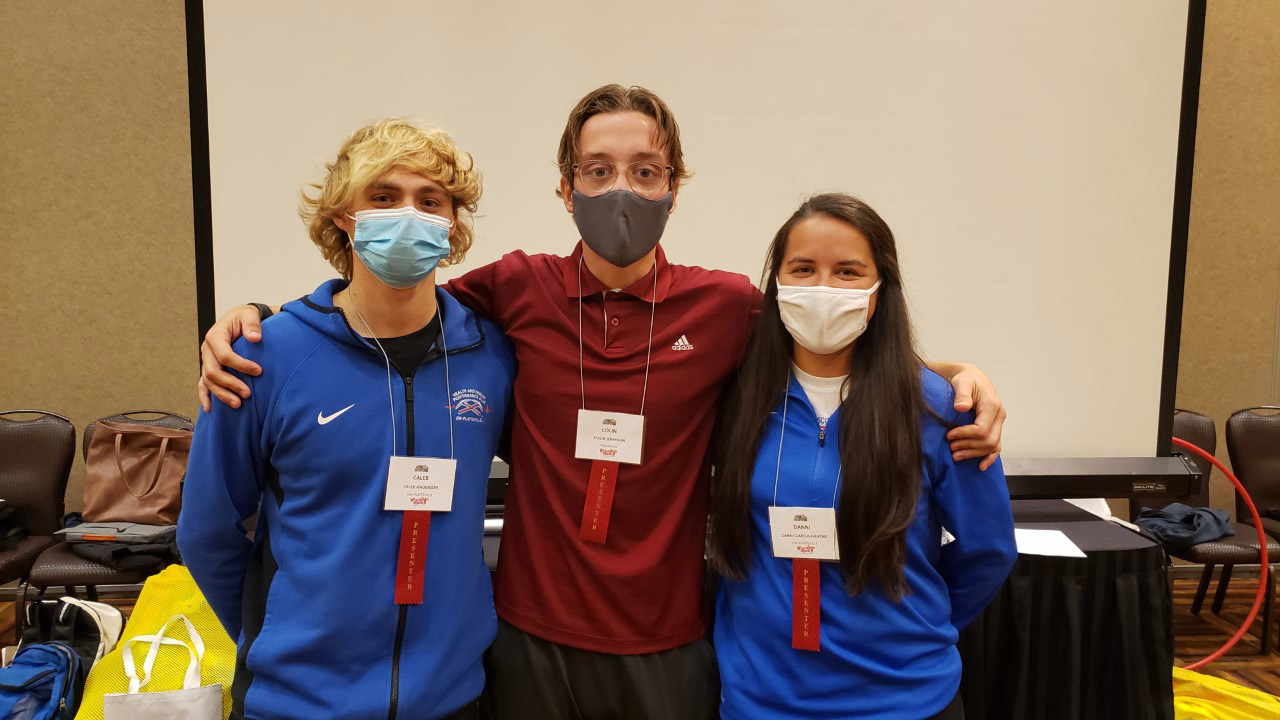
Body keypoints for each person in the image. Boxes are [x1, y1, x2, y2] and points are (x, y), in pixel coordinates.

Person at [196, 86, 1007, 719]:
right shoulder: (511, 293)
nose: (621, 190)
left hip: (672, 642)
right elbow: (385, 306)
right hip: (528, 642)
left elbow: (833, 330)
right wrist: (257, 318)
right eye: (598, 171)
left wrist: (949, 374)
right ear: (565, 187)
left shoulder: (724, 308)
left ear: (674, 189)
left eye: (645, 172)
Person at [178, 119, 515, 720]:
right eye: (383, 197)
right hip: (298, 702)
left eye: (429, 200)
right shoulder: (262, 357)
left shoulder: (491, 355)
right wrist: (278, 637)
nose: (408, 214)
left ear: (452, 224)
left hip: (452, 698)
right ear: (343, 215)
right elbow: (207, 530)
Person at [709, 193, 1017, 720]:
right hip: (761, 699)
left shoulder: (941, 408)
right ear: (777, 284)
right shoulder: (734, 399)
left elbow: (987, 551)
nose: (823, 287)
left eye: (848, 271)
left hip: (904, 698)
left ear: (879, 291)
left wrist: (910, 626)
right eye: (803, 268)